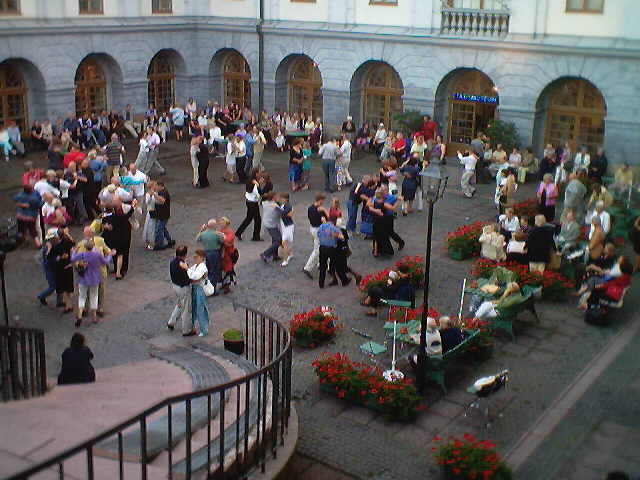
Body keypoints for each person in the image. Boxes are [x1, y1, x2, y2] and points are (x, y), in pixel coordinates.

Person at [70, 240, 114, 326]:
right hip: (94, 279)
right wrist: (110, 255)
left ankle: (79, 315)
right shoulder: (97, 255)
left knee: (82, 297)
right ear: (93, 246)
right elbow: (105, 262)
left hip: (83, 279)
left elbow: (72, 259)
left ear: (85, 247)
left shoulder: (82, 255)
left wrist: (74, 251)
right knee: (94, 296)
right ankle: (93, 316)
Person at [101, 199, 134, 279]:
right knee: (122, 253)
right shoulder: (121, 217)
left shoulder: (108, 218)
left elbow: (103, 225)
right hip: (123, 237)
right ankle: (120, 270)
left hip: (114, 238)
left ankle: (116, 268)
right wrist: (133, 206)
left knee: (115, 253)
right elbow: (129, 214)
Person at [168, 245, 195, 335]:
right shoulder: (182, 265)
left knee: (180, 304)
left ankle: (171, 322)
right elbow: (187, 277)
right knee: (186, 309)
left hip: (175, 286)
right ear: (185, 255)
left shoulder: (172, 262)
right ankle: (186, 330)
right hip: (183, 288)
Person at [317, 216, 350, 289]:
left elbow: (318, 234)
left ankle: (321, 284)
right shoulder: (335, 228)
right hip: (332, 249)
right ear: (334, 222)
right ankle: (344, 280)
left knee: (323, 266)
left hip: (322, 248)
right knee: (337, 265)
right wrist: (335, 235)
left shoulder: (322, 226)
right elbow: (342, 238)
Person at [48, 227, 75, 314]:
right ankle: (67, 304)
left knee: (67, 288)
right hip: (60, 269)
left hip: (66, 268)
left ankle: (68, 305)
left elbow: (73, 244)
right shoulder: (53, 246)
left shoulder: (64, 243)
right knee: (64, 288)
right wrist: (59, 258)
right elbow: (50, 258)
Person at [302, 194, 328, 279]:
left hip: (312, 229)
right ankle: (307, 267)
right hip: (319, 230)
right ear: (320, 200)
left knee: (319, 247)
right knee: (317, 249)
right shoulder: (320, 210)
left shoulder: (310, 208)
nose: (323, 203)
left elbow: (310, 217)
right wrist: (324, 210)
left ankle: (320, 263)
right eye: (323, 201)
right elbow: (326, 220)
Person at [37, 229, 63, 307]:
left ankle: (59, 301)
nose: (58, 239)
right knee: (52, 287)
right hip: (50, 270)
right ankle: (41, 296)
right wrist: (57, 259)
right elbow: (48, 261)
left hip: (56, 268)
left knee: (59, 285)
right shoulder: (47, 248)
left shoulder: (55, 244)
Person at [187, 250, 209, 337]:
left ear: (202, 258)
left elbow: (194, 276)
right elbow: (191, 274)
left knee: (200, 308)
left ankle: (204, 329)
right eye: (194, 257)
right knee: (194, 307)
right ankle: (193, 327)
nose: (194, 259)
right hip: (195, 288)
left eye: (196, 257)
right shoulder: (196, 265)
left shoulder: (202, 267)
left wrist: (187, 270)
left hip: (200, 289)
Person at [197, 219, 225, 289]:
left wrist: (201, 230)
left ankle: (208, 285)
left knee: (209, 270)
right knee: (214, 270)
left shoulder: (203, 234)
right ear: (214, 226)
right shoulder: (216, 234)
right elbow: (223, 240)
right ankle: (212, 288)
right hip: (215, 253)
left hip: (206, 253)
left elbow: (197, 239)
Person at [235, 170, 262, 241]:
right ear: (256, 174)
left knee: (249, 218)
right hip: (253, 203)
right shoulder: (255, 184)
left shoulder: (249, 181)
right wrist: (259, 185)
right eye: (259, 173)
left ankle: (239, 232)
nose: (260, 175)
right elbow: (259, 194)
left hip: (248, 202)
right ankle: (256, 236)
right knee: (258, 220)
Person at [15, 184, 42, 248]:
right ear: (31, 190)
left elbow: (15, 199)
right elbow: (40, 204)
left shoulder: (20, 194)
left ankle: (20, 243)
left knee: (21, 230)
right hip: (31, 216)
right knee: (32, 229)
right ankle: (38, 243)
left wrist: (21, 204)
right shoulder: (34, 197)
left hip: (20, 216)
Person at [260, 192, 282, 263]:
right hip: (272, 225)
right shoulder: (275, 206)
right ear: (273, 198)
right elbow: (282, 214)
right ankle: (265, 254)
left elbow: (262, 201)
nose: (278, 198)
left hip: (266, 222)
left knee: (275, 239)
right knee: (279, 240)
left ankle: (275, 255)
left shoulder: (265, 202)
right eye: (277, 197)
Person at [152, 182, 175, 251]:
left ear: (160, 186)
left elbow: (162, 201)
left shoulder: (164, 192)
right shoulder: (162, 191)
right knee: (163, 228)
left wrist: (155, 195)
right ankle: (169, 241)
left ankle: (159, 244)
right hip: (161, 214)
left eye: (156, 186)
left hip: (163, 214)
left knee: (159, 229)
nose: (155, 188)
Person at [218, 217, 238, 294]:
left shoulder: (230, 233)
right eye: (220, 222)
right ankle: (224, 283)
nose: (221, 224)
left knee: (228, 270)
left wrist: (222, 238)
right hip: (222, 254)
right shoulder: (220, 231)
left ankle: (227, 285)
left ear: (226, 224)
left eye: (222, 223)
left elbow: (228, 241)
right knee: (222, 269)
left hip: (228, 255)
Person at [278, 193, 295, 266]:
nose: (281, 200)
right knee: (284, 243)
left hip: (288, 226)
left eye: (282, 198)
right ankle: (290, 254)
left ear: (286, 199)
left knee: (284, 243)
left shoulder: (288, 206)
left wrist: (275, 208)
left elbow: (283, 213)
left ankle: (285, 260)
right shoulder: (283, 205)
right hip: (284, 226)